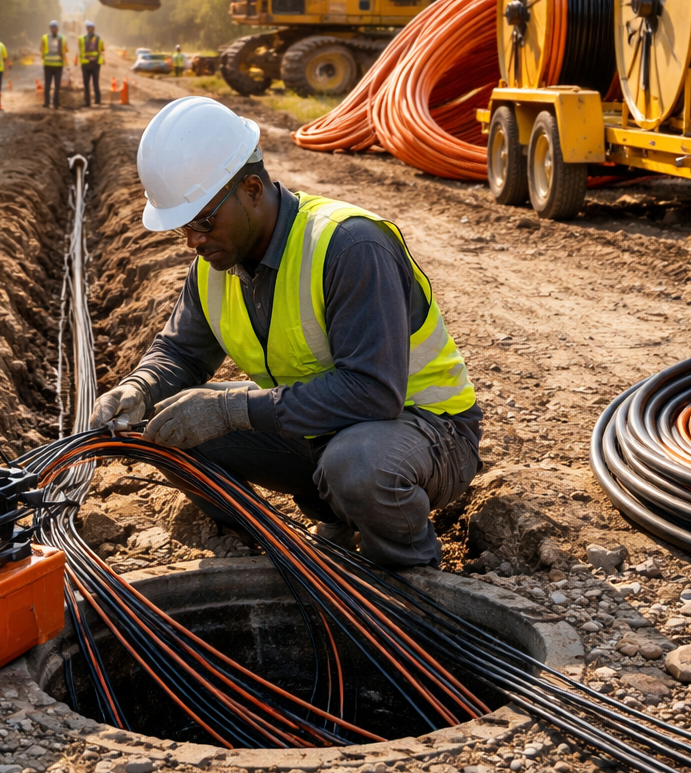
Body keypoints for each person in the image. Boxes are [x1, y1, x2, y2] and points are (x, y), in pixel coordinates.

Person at [89, 97, 479, 568]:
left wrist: (233, 409)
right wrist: (139, 389)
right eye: (182, 229)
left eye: (202, 221)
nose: (193, 240)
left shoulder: (348, 245)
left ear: (252, 188)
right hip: (325, 430)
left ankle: (408, 573)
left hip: (427, 431)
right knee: (170, 425)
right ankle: (272, 552)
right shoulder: (215, 265)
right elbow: (181, 354)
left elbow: (374, 393)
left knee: (356, 465)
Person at [40, 20, 67, 110]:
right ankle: (56, 103)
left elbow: (41, 49)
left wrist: (44, 56)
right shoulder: (62, 38)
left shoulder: (44, 37)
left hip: (48, 64)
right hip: (58, 65)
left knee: (48, 84)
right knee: (56, 85)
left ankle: (47, 103)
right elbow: (66, 50)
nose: (54, 29)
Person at [79, 21, 104, 107]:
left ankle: (97, 101)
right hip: (85, 63)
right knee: (86, 83)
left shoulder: (98, 39)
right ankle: (87, 102)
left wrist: (99, 60)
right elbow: (80, 49)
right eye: (88, 28)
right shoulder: (82, 39)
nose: (90, 29)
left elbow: (102, 49)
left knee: (95, 82)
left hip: (95, 63)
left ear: (93, 29)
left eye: (91, 28)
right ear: (87, 29)